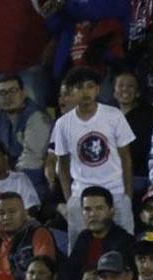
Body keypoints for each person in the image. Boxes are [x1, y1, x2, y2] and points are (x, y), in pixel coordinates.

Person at [53, 66, 136, 247]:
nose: (85, 92)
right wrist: (70, 199)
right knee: (79, 250)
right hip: (81, 195)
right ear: (70, 92)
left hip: (116, 192)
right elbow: (62, 164)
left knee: (126, 247)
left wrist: (127, 195)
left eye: (90, 86)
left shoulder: (114, 116)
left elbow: (126, 157)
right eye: (79, 87)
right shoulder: (62, 124)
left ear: (98, 89)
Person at [0, 74, 53, 196]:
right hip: (1, 175)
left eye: (12, 91)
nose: (8, 97)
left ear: (23, 93)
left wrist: (8, 181)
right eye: (2, 93)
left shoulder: (37, 117)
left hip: (31, 179)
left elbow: (31, 159)